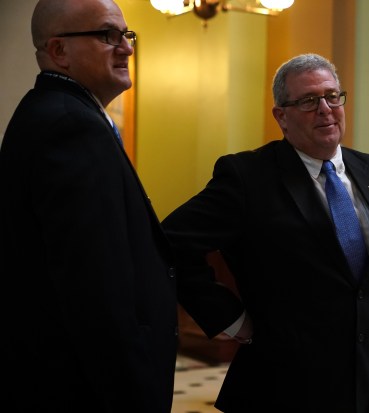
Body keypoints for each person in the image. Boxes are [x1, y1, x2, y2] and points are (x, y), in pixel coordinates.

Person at [0, 1, 240, 411]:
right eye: (107, 35)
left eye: (126, 36)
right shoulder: (68, 125)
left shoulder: (63, 114)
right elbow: (92, 282)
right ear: (59, 51)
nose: (127, 48)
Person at [162, 53, 369, 413]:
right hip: (286, 385)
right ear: (281, 116)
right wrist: (230, 319)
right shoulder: (248, 177)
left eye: (332, 96)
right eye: (309, 101)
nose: (326, 109)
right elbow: (169, 243)